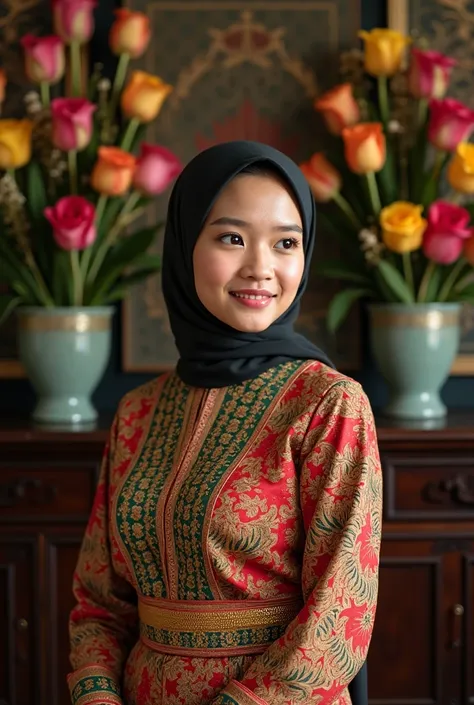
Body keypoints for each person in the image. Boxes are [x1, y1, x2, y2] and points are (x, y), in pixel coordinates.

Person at [68, 140, 383, 705]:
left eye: (286, 243)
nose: (261, 267)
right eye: (231, 237)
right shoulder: (137, 412)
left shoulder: (328, 404)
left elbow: (340, 614)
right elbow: (99, 602)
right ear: (186, 245)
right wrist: (96, 697)